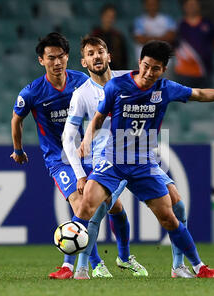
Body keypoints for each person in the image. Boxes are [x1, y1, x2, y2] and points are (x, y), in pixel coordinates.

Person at [77, 40, 214, 279]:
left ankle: (197, 266)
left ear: (163, 69)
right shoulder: (116, 86)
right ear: (139, 63)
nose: (148, 72)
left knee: (170, 216)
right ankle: (75, 267)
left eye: (155, 68)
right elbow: (99, 116)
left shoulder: (165, 89)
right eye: (145, 66)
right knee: (87, 207)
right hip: (113, 160)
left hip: (143, 162)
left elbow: (200, 94)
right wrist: (87, 140)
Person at [10, 32, 105, 280]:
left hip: (87, 155)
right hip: (58, 158)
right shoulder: (32, 92)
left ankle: (120, 257)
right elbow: (16, 119)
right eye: (51, 57)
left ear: (67, 57)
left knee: (107, 206)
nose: (57, 62)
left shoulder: (81, 81)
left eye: (61, 56)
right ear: (41, 60)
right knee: (78, 203)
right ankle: (86, 265)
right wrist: (18, 150)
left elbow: (99, 110)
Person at [63, 36, 148, 279]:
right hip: (100, 161)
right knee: (109, 208)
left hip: (129, 157)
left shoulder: (130, 79)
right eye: (90, 53)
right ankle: (101, 263)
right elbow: (68, 138)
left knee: (108, 208)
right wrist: (79, 173)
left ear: (109, 55)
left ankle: (106, 261)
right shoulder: (81, 94)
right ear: (83, 61)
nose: (96, 56)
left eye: (100, 51)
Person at [174, 0, 214, 88]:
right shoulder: (179, 25)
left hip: (204, 69)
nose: (191, 7)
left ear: (199, 6)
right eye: (189, 5)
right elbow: (174, 44)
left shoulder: (208, 23)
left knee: (207, 99)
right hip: (184, 72)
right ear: (184, 7)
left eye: (194, 4)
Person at [90, 4, 129, 70]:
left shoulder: (118, 37)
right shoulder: (94, 36)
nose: (110, 19)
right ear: (102, 16)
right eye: (107, 16)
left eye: (112, 17)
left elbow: (124, 59)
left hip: (115, 73)